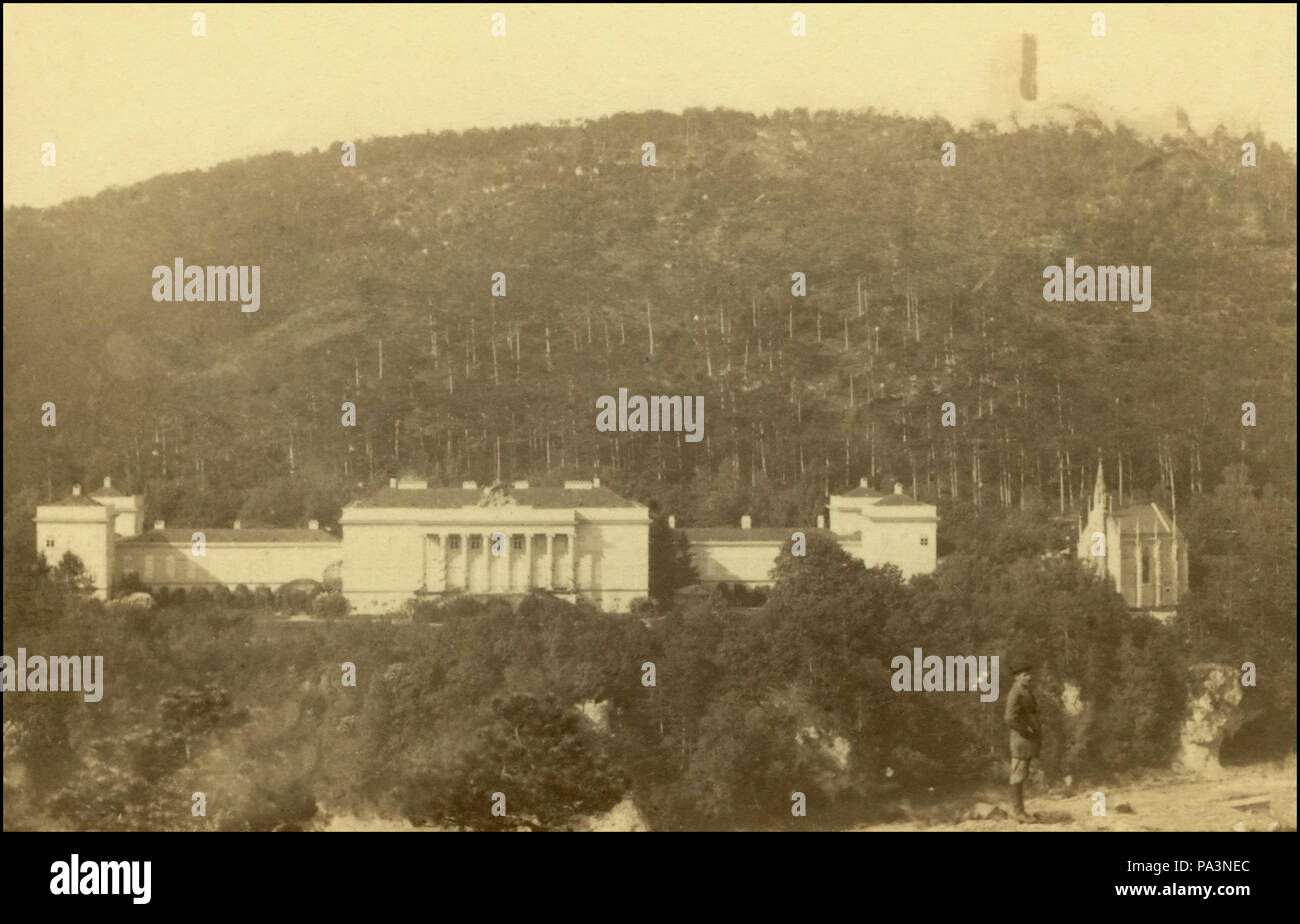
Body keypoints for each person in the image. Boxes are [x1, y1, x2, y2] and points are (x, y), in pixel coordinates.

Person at [1004, 659, 1041, 822]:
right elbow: (1009, 718)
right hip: (1021, 740)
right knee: (1017, 776)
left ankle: (1019, 811)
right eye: (1026, 674)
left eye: (1029, 674)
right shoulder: (1016, 693)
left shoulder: (1024, 690)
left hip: (1026, 740)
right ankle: (1017, 812)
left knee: (1021, 775)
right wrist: (1026, 729)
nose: (1030, 677)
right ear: (1017, 677)